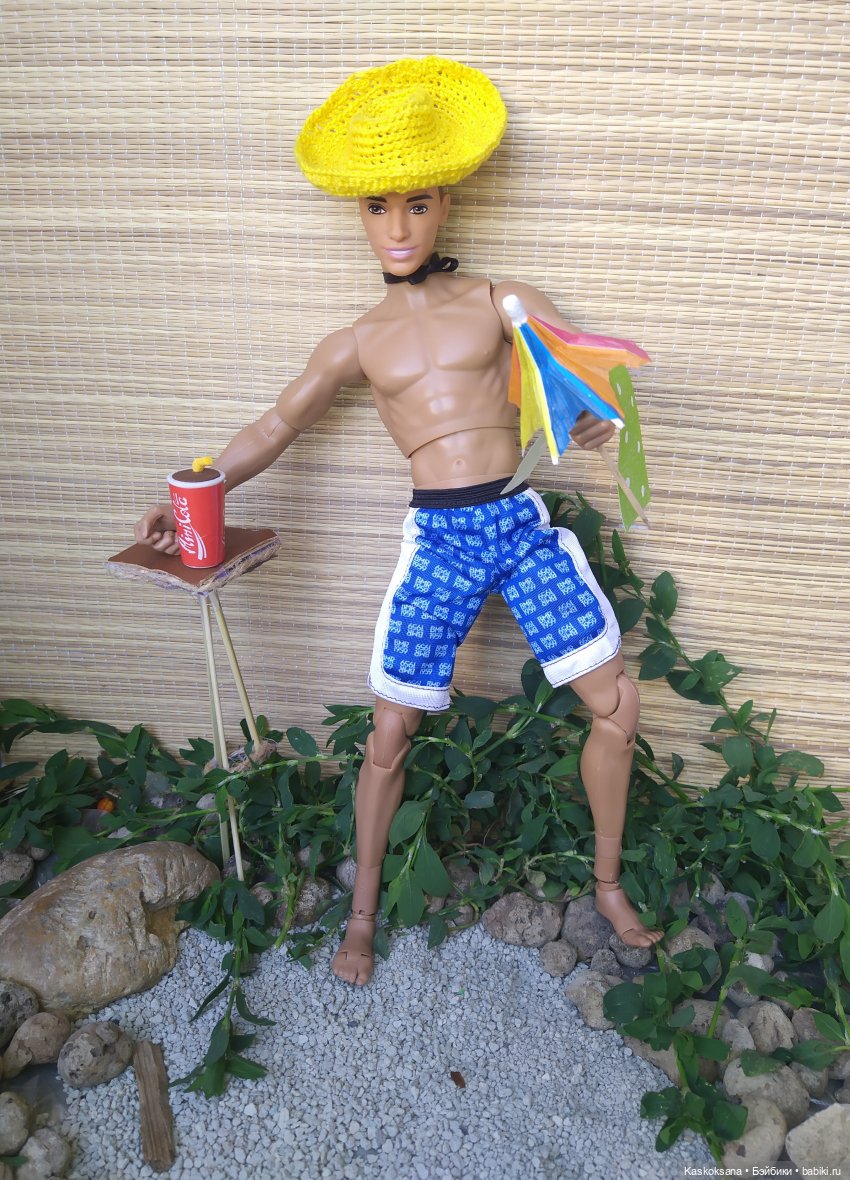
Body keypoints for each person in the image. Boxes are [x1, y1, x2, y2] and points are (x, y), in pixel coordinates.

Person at [134, 58, 664, 985]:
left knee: (617, 704)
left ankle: (610, 885)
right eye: (379, 208)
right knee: (389, 733)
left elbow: (585, 374)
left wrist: (596, 416)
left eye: (417, 204)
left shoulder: (499, 299)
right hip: (440, 540)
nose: (400, 227)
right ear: (360, 215)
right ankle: (363, 914)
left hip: (514, 521)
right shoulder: (357, 340)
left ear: (446, 203)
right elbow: (277, 425)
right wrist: (199, 485)